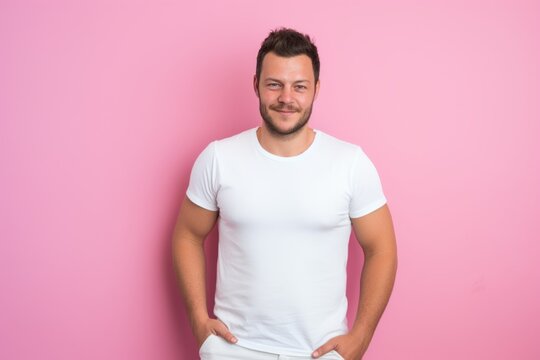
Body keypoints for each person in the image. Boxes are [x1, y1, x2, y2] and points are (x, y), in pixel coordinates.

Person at [172, 28, 397, 360]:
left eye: (299, 86)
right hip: (234, 350)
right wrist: (198, 322)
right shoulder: (219, 158)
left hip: (321, 353)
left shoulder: (350, 163)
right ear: (256, 85)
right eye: (274, 84)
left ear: (316, 89)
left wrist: (361, 337)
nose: (286, 98)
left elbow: (382, 249)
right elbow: (187, 235)